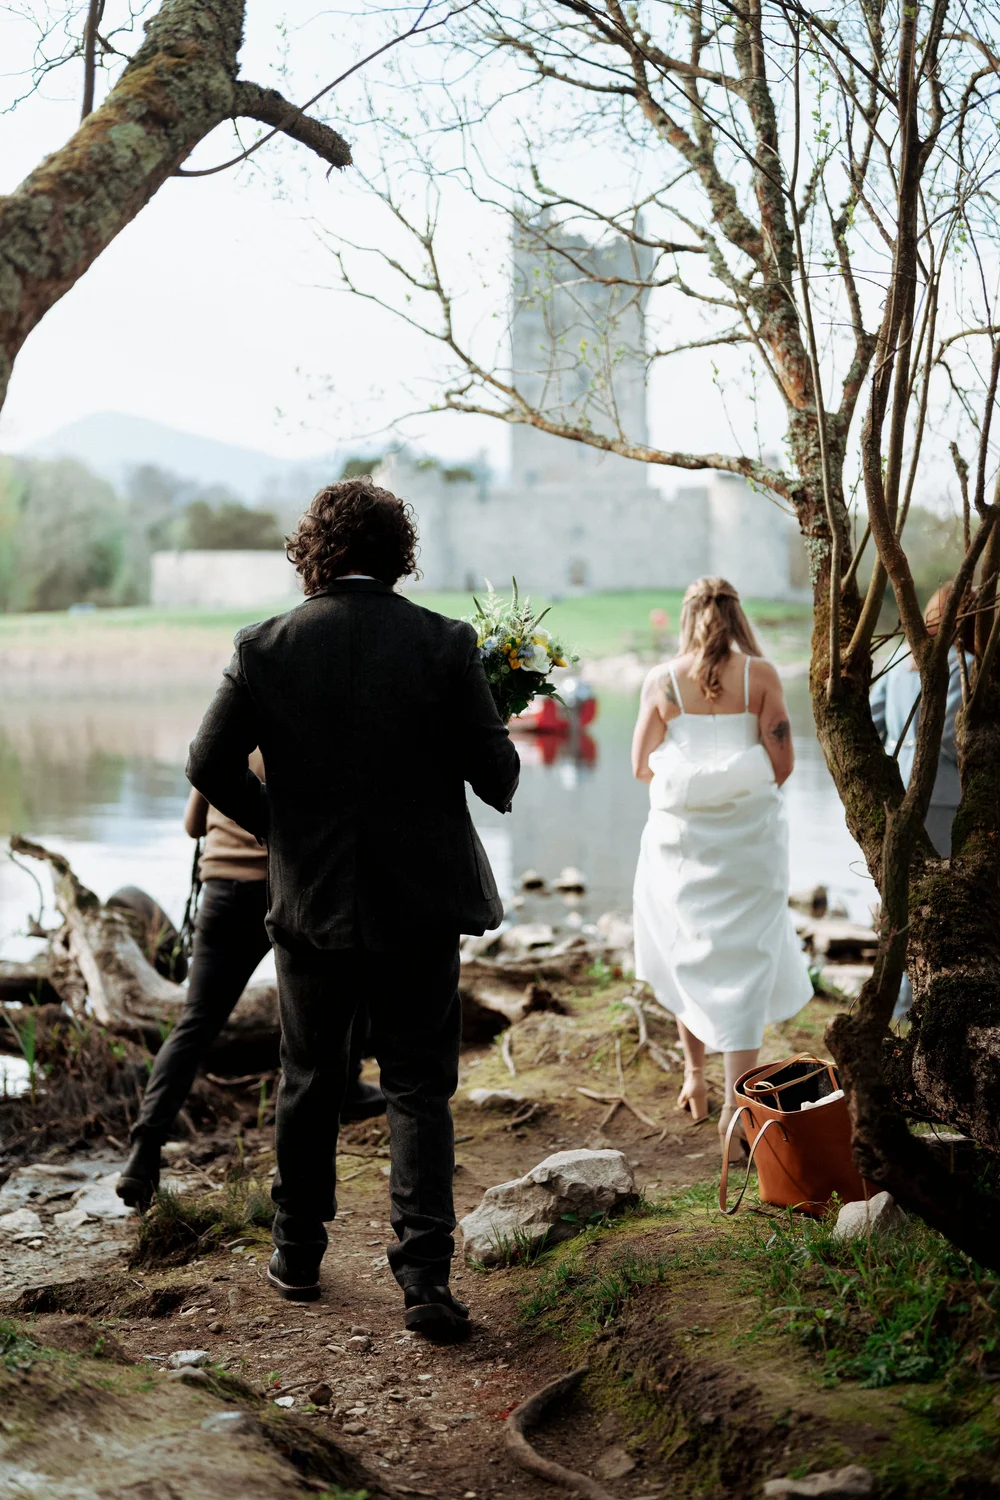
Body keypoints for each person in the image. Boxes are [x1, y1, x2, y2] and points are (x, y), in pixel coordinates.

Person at [185, 476, 520, 1340]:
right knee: (418, 1087)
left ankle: (297, 1252)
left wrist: (282, 832)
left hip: (312, 900)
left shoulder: (264, 646)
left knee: (309, 1077)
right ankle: (426, 1281)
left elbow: (207, 763)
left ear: (315, 553)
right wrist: (489, 705)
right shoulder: (446, 644)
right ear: (399, 555)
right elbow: (500, 779)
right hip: (419, 904)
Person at [116, 754, 386, 1211]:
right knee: (344, 985)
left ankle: (144, 1150)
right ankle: (347, 1090)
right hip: (290, 890)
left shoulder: (231, 732)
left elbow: (192, 826)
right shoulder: (304, 726)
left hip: (222, 893)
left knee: (196, 1022)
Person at [631, 577, 813, 1163]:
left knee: (688, 947)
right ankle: (741, 1112)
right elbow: (782, 762)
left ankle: (694, 1078)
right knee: (745, 957)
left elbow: (640, 766)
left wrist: (691, 781)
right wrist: (738, 787)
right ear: (736, 616)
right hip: (749, 843)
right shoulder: (760, 675)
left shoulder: (661, 680)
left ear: (687, 617)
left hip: (681, 842)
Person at [870, 584, 962, 858]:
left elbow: (873, 721)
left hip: (895, 784)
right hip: (944, 793)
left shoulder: (897, 657)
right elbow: (952, 735)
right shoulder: (963, 664)